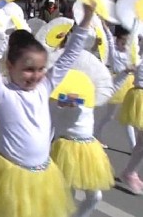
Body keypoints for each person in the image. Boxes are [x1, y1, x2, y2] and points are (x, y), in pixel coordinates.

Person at [0, 2, 95, 217]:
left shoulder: (44, 87)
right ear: (10, 66)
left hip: (44, 174)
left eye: (40, 69)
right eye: (28, 69)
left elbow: (68, 57)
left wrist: (85, 21)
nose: (35, 75)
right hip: (12, 175)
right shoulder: (2, 94)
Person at [50, 47, 129, 217]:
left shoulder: (89, 94)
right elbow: (52, 111)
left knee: (95, 196)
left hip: (89, 148)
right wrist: (62, 101)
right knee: (66, 194)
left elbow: (110, 90)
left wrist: (125, 73)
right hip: (66, 147)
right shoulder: (57, 95)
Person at [94, 24, 137, 149]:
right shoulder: (113, 52)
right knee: (110, 116)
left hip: (129, 84)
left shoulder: (130, 52)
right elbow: (108, 38)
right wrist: (104, 26)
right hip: (117, 84)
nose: (125, 45)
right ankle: (96, 134)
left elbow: (135, 38)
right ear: (117, 40)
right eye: (123, 42)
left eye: (127, 42)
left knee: (128, 119)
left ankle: (133, 146)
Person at [118, 59, 143, 194]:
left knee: (141, 142)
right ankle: (130, 172)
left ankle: (130, 171)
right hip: (140, 97)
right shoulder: (139, 60)